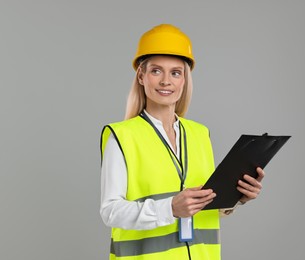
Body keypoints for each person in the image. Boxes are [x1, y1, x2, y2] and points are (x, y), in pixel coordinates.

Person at [100, 24, 265, 260]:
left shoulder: (200, 134)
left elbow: (205, 206)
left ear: (184, 79)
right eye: (156, 71)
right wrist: (169, 209)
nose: (166, 81)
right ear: (141, 76)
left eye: (175, 72)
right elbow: (110, 212)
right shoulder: (122, 136)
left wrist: (236, 199)